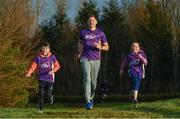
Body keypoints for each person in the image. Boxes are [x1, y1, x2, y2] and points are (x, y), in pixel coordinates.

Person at [78, 15, 109, 109]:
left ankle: (91, 98)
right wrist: (79, 52)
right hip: (85, 58)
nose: (92, 22)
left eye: (93, 20)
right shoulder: (83, 32)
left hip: (96, 59)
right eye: (90, 21)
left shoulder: (100, 33)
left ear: (96, 22)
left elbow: (107, 47)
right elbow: (79, 42)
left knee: (93, 82)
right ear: (88, 22)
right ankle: (87, 100)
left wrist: (100, 47)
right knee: (87, 78)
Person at [26, 42, 60, 113]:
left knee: (48, 95)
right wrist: (29, 72)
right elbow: (33, 66)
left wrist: (52, 71)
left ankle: (50, 97)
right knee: (41, 94)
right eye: (42, 48)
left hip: (50, 79)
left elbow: (58, 66)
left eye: (46, 48)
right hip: (41, 78)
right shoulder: (38, 58)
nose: (44, 50)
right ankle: (40, 110)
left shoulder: (52, 57)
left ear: (49, 49)